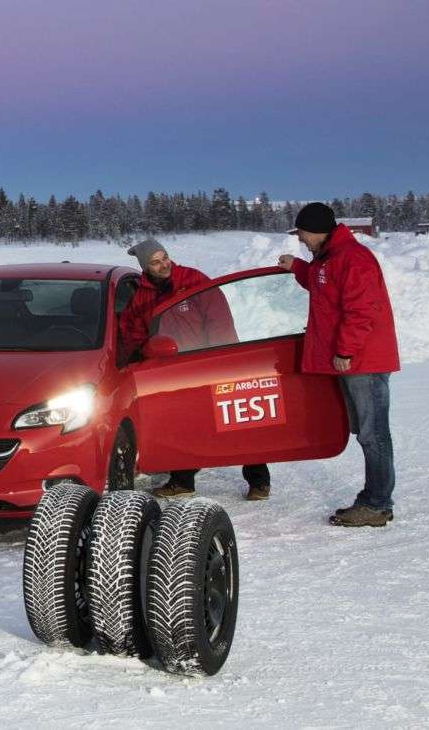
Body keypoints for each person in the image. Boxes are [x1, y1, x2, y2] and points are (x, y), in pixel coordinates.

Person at [119, 238, 270, 501]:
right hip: (173, 368)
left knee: (233, 421)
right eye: (155, 262)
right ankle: (182, 481)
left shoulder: (193, 279)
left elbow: (218, 318)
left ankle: (259, 481)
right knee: (181, 424)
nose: (164, 264)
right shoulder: (142, 296)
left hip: (208, 361)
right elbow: (133, 332)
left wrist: (225, 356)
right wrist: (136, 356)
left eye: (165, 257)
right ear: (146, 267)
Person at [279, 202, 400, 527]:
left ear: (315, 229)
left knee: (374, 434)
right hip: (352, 359)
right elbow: (322, 286)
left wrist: (345, 350)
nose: (301, 239)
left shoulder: (353, 259)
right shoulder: (330, 259)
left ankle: (377, 504)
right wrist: (297, 267)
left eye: (302, 233)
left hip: (363, 361)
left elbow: (362, 310)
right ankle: (374, 498)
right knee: (367, 431)